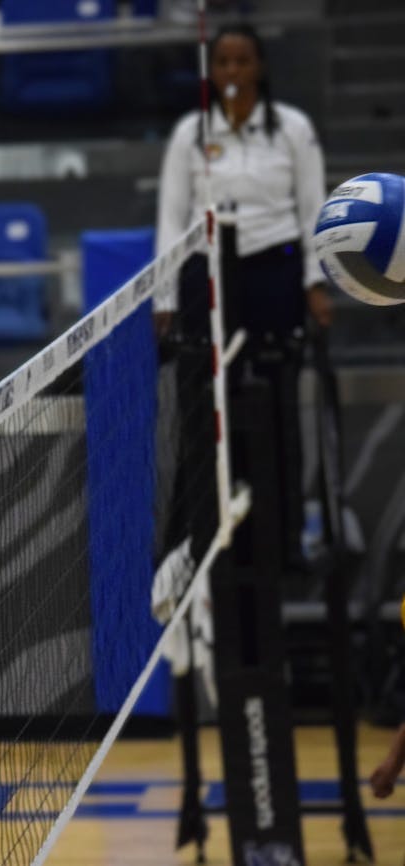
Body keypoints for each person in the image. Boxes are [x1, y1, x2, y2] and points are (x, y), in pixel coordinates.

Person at [155, 20, 332, 568]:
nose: (232, 72)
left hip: (275, 276)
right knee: (206, 409)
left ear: (260, 68)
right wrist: (163, 297)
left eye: (242, 61)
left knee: (277, 404)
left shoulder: (292, 130)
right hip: (208, 280)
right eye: (223, 62)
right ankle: (199, 541)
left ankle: (283, 543)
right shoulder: (191, 133)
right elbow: (171, 216)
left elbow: (313, 209)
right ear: (213, 71)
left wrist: (315, 281)